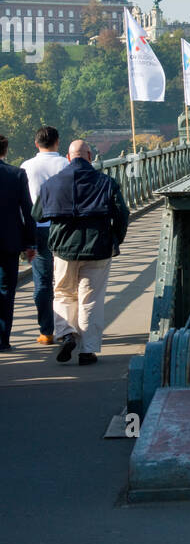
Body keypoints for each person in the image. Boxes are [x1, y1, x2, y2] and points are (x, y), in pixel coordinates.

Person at [33, 139, 129, 366]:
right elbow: (122, 214)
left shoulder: (53, 183)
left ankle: (66, 333)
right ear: (89, 156)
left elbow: (38, 215)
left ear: (68, 157)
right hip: (98, 248)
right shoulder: (106, 182)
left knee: (63, 294)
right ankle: (88, 351)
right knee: (91, 299)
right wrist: (115, 238)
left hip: (64, 249)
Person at [20, 125, 67, 345]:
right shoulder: (66, 164)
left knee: (42, 281)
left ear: (36, 144)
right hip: (63, 228)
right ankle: (68, 328)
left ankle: (46, 331)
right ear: (57, 142)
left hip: (37, 228)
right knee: (66, 280)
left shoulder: (26, 166)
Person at [0, 133, 36, 351]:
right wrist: (30, 243)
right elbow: (27, 210)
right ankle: (3, 339)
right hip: (9, 241)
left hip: (9, 241)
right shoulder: (16, 174)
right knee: (6, 291)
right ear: (4, 151)